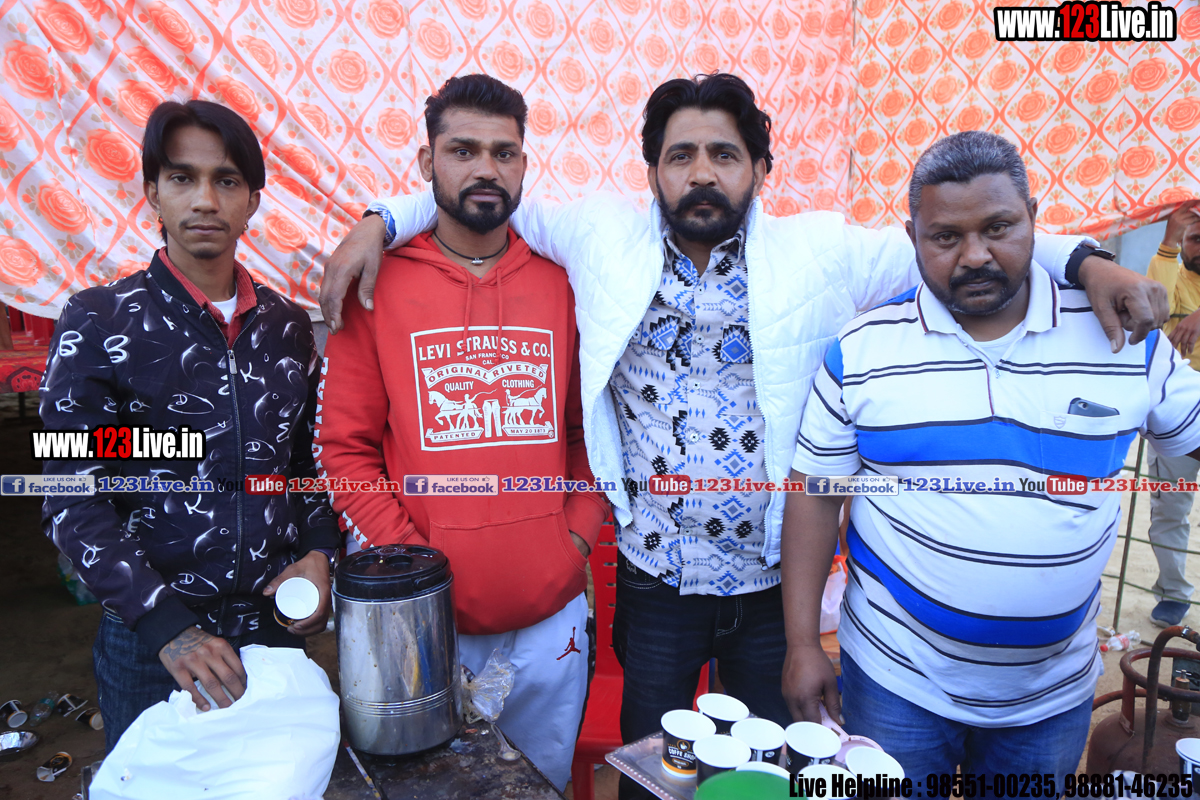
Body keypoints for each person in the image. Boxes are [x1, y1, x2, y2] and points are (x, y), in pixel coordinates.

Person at [321, 73, 1165, 799]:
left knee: (763, 775)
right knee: (653, 771)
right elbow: (482, 190)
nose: (702, 173)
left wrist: (1086, 262)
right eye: (680, 155)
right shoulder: (601, 237)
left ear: (760, 168)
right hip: (655, 581)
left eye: (724, 155)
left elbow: (964, 233)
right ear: (652, 172)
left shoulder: (821, 253)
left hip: (770, 587)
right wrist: (377, 222)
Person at [781, 131, 1200, 778]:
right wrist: (803, 643)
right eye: (945, 237)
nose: (975, 255)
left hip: (1051, 697)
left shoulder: (1122, 336)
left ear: (1035, 219)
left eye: (999, 228)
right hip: (895, 681)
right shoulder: (862, 350)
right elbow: (815, 496)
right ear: (913, 236)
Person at [312, 74, 609, 791]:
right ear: (427, 163)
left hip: (551, 620)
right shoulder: (377, 283)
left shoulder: (566, 281)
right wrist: (414, 567)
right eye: (463, 150)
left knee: (541, 784)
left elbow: (587, 431)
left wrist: (574, 538)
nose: (486, 169)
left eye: (504, 153)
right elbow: (345, 450)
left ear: (525, 164)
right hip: (424, 622)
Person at [40, 100, 339, 751]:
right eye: (182, 177)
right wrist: (166, 627)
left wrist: (319, 555)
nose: (205, 199)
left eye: (226, 180)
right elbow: (69, 493)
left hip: (274, 633)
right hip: (154, 650)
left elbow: (303, 467)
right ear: (153, 191)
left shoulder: (287, 329)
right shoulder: (99, 321)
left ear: (252, 200)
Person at [1145, 200, 1200, 627]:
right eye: (1195, 238)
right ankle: (1174, 592)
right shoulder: (1171, 276)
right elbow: (1152, 313)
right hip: (1178, 411)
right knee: (1169, 510)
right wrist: (1167, 243)